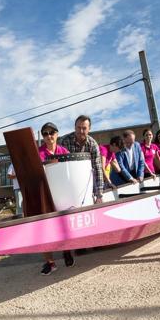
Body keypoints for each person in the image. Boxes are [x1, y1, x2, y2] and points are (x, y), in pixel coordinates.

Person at [38, 122, 72, 275]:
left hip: (63, 193)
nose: (49, 136)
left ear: (57, 134)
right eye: (45, 133)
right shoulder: (38, 152)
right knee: (44, 229)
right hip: (46, 195)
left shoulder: (64, 151)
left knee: (63, 226)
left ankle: (66, 251)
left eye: (51, 132)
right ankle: (50, 262)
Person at [59, 115, 104, 202]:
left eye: (84, 128)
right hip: (68, 185)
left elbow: (97, 169)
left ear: (89, 129)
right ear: (74, 127)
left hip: (86, 185)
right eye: (78, 128)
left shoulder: (93, 144)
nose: (81, 131)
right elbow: (61, 169)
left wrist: (99, 195)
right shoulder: (64, 141)